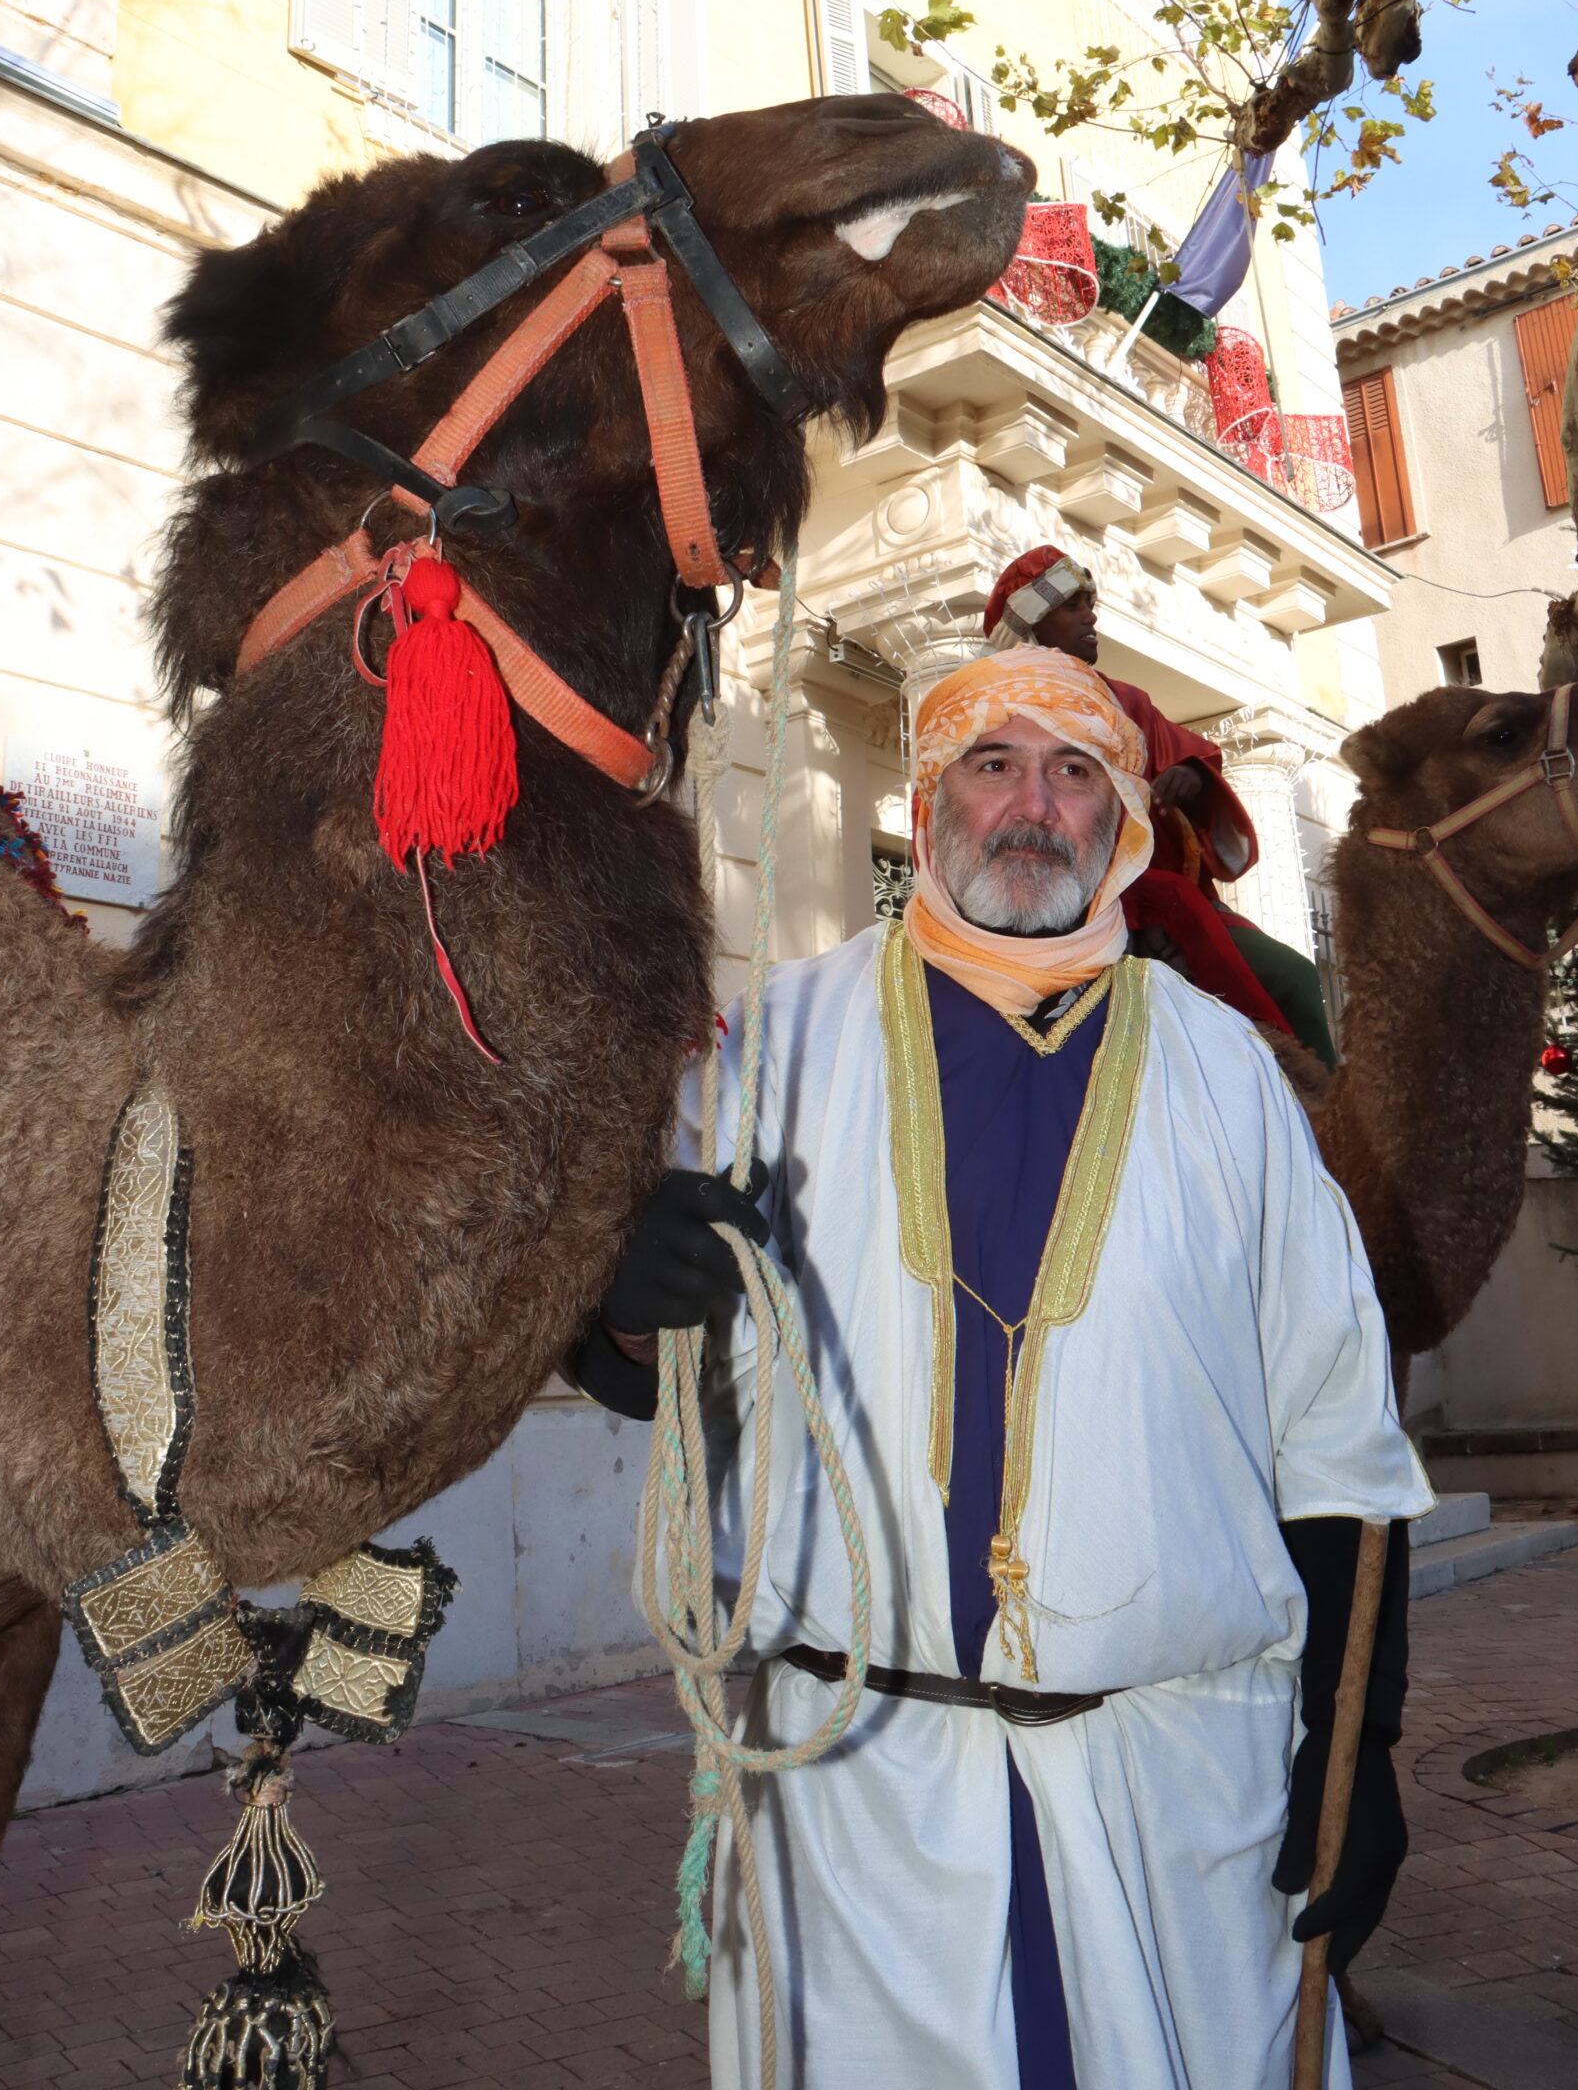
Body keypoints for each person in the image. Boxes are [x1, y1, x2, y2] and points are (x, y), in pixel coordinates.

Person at [575, 645, 1429, 2090]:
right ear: (927, 803)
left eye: (1073, 772)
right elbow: (660, 1375)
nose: (1031, 805)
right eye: (992, 764)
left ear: (1122, 826)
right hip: (856, 1809)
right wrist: (610, 1300)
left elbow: (1336, 1437)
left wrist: (1365, 1750)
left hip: (1175, 1794)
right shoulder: (773, 1044)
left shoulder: (1230, 1076)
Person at [985, 544, 1338, 1066]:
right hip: (1048, 899)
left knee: (1291, 975)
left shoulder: (1127, 702)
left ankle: (1325, 1105)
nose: (1091, 617)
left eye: (1089, 605)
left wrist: (1190, 777)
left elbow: (1193, 757)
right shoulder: (990, 710)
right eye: (1071, 606)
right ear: (1032, 621)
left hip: (1155, 898)